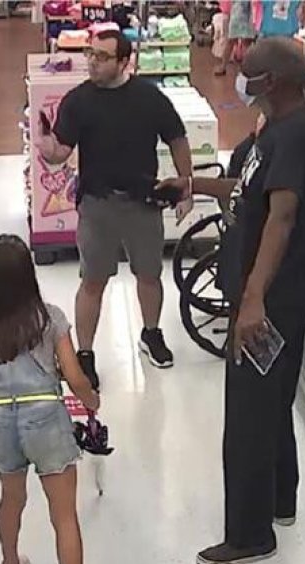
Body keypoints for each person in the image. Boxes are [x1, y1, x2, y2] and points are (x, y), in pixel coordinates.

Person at [160, 37, 305, 564]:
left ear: (272, 82)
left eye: (246, 70)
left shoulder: (298, 135)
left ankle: (250, 535)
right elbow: (246, 191)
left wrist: (253, 298)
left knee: (250, 416)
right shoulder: (275, 133)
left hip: (272, 300)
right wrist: (190, 183)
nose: (236, 72)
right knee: (272, 405)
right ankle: (280, 500)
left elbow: (281, 217)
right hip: (268, 294)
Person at [35, 29, 195, 386]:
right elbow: (61, 152)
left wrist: (187, 185)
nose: (93, 61)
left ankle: (151, 334)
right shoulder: (78, 101)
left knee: (149, 274)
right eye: (91, 54)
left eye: (103, 56)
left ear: (125, 61)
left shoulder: (149, 98)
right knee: (93, 280)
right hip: (97, 203)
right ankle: (86, 353)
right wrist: (48, 149)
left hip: (143, 201)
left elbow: (177, 138)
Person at [0, 234, 101, 564]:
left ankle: (10, 562)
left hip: (0, 417)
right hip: (45, 416)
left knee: (11, 497)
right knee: (63, 515)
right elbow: (75, 378)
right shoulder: (49, 318)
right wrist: (91, 400)